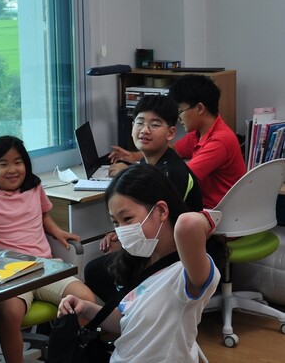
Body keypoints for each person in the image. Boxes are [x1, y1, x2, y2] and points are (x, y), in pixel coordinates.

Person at [0, 135, 95, 363]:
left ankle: (62, 354)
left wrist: (57, 231)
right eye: (3, 164)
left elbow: (43, 214)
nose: (12, 169)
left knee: (86, 300)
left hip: (45, 267)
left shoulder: (35, 188)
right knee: (9, 313)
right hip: (11, 275)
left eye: (18, 162)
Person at [57, 164, 226, 363]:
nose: (121, 230)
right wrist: (86, 308)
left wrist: (210, 219)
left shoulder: (187, 273)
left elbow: (188, 224)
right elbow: (129, 323)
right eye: (115, 222)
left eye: (127, 219)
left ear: (162, 210)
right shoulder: (142, 262)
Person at [86, 94, 203, 301]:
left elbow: (163, 227)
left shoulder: (173, 172)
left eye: (155, 124)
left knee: (96, 271)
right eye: (139, 122)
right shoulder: (147, 166)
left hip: (172, 254)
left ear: (171, 133)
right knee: (98, 268)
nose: (145, 130)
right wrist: (122, 232)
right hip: (153, 246)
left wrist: (126, 242)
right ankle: (130, 316)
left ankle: (134, 316)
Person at [109, 74, 245, 209]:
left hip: (216, 213)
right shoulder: (199, 133)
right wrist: (134, 156)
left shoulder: (220, 141)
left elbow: (182, 176)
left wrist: (128, 172)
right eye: (140, 123)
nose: (178, 117)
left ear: (199, 108)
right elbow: (173, 148)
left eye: (180, 110)